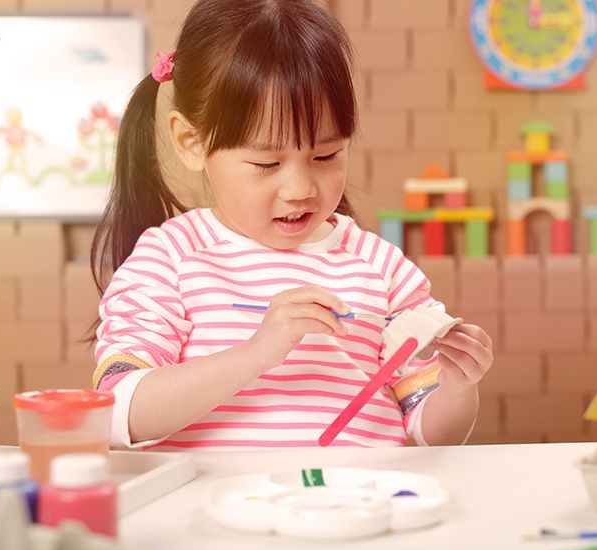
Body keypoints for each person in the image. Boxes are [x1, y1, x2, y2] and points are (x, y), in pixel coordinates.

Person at [90, 0, 493, 451]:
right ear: (191, 142)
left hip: (360, 503)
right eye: (267, 162)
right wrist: (258, 353)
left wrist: (457, 389)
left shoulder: (381, 267)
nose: (300, 188)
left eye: (325, 156)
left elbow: (428, 435)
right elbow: (116, 411)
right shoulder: (170, 259)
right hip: (221, 511)